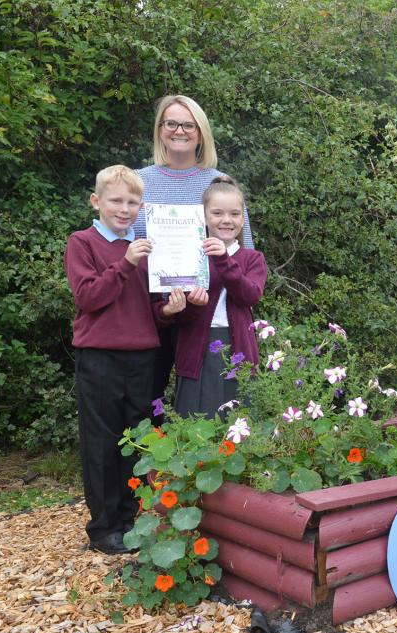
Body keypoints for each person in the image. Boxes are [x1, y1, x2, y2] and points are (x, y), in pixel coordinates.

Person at [65, 165, 189, 554]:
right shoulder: (83, 242)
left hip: (143, 356)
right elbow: (88, 297)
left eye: (132, 202)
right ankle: (104, 528)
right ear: (96, 201)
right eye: (116, 201)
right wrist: (126, 262)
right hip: (100, 355)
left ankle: (131, 518)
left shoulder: (147, 249)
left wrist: (169, 310)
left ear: (142, 206)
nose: (124, 209)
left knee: (137, 442)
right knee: (101, 442)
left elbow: (150, 310)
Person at [131, 95, 255, 419]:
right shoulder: (138, 182)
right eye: (171, 123)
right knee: (148, 398)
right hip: (154, 310)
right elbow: (125, 247)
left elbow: (245, 250)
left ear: (200, 133)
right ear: (160, 130)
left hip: (204, 309)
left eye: (188, 124)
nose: (179, 130)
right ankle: (147, 471)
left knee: (203, 400)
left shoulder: (219, 182)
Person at [171, 176, 267, 417]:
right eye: (217, 213)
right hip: (197, 347)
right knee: (196, 420)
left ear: (243, 218)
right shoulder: (188, 255)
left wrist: (223, 259)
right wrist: (189, 304)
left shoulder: (253, 258)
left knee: (238, 422)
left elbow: (250, 295)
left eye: (235, 214)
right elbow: (182, 316)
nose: (226, 220)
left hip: (239, 346)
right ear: (203, 216)